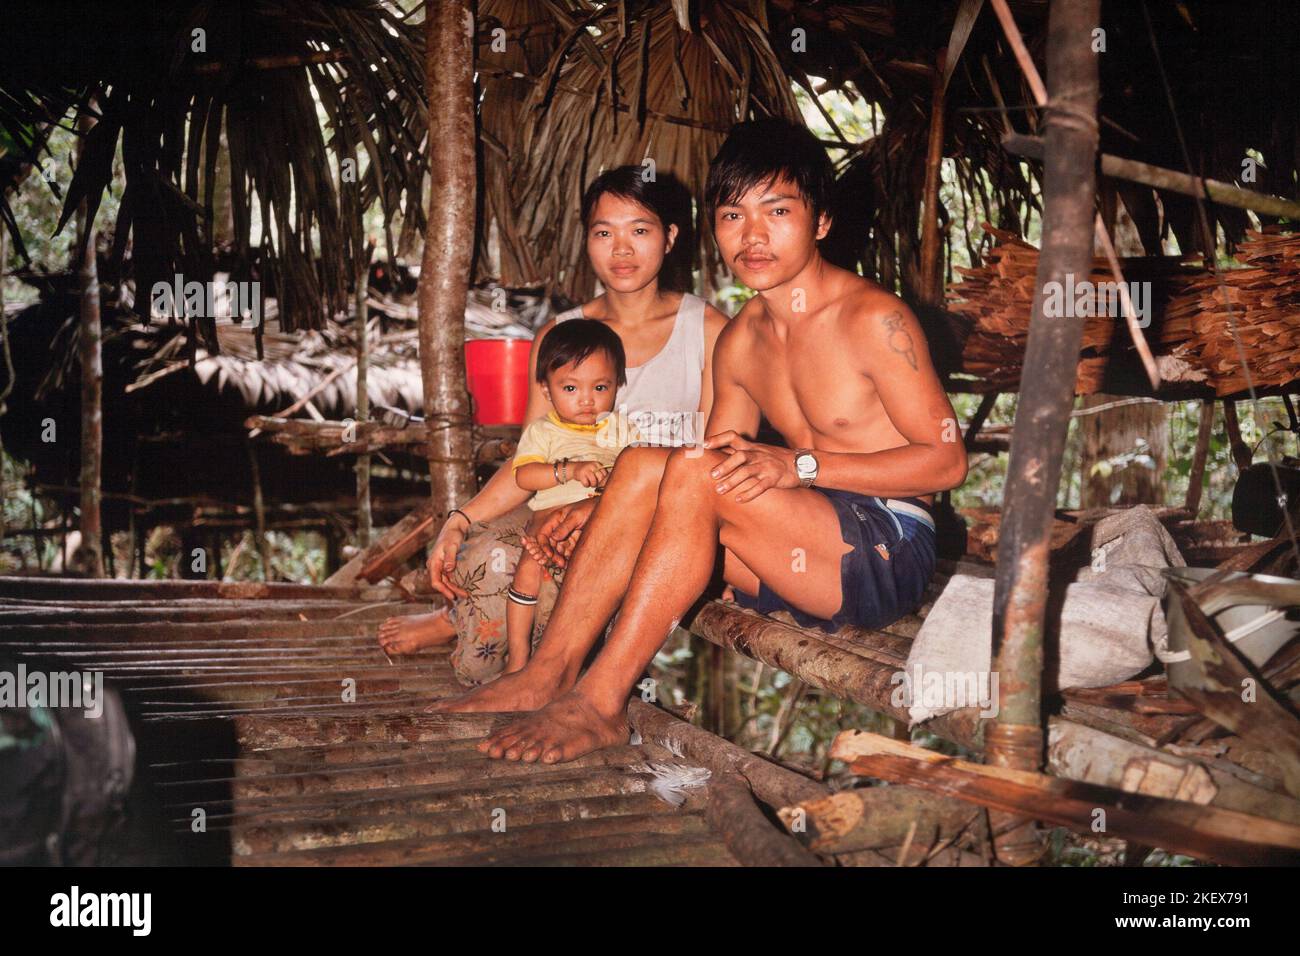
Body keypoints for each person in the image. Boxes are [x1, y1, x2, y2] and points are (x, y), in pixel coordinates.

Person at [429, 118, 969, 766]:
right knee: (649, 462)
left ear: (820, 221)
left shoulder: (873, 320)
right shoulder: (742, 338)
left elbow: (947, 461)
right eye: (733, 214)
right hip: (790, 543)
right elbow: (691, 482)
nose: (753, 234)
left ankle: (599, 702)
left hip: (884, 547)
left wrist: (800, 464)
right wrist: (600, 509)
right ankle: (547, 673)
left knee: (678, 465)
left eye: (777, 210)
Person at [376, 166, 728, 686]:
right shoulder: (559, 337)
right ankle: (465, 622)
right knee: (488, 554)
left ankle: (484, 638)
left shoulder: (709, 331)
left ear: (671, 237)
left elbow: (715, 461)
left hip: (654, 526)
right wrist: (460, 519)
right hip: (557, 514)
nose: (621, 250)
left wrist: (603, 510)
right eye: (604, 232)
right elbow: (530, 460)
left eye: (640, 230)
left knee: (552, 632)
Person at [503, 320, 640, 673]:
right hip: (548, 520)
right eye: (569, 387)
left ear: (618, 386)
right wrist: (568, 471)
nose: (586, 399)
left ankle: (586, 668)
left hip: (598, 523)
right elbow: (524, 475)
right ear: (546, 391)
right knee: (528, 569)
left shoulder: (622, 430)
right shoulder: (544, 431)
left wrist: (608, 484)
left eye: (599, 386)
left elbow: (638, 477)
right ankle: (518, 659)